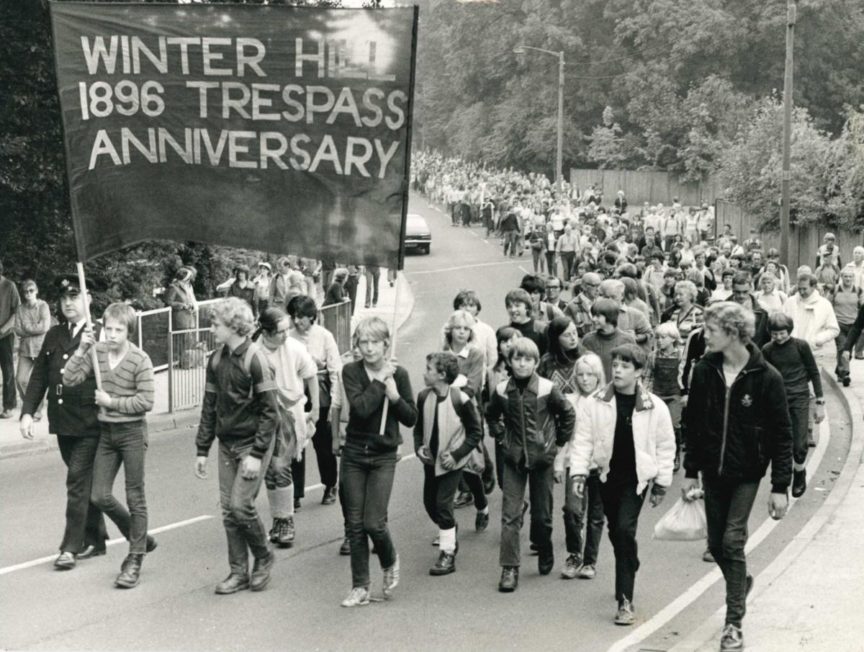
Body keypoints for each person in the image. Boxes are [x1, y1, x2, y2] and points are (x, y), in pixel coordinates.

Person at [683, 302, 793, 652]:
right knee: (716, 546)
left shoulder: (767, 377)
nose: (704, 335)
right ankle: (739, 579)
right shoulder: (704, 370)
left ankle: (733, 623)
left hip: (747, 471)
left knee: (731, 542)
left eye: (711, 329)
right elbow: (694, 424)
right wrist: (689, 473)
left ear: (732, 332)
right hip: (712, 473)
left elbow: (782, 433)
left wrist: (779, 487)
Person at [569, 343, 674, 625]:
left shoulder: (655, 406)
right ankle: (630, 560)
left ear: (639, 372)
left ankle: (624, 600)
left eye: (625, 366)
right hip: (606, 477)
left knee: (625, 530)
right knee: (617, 533)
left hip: (636, 481)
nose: (617, 370)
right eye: (615, 365)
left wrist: (662, 482)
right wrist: (578, 474)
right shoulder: (597, 402)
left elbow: (665, 446)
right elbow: (583, 441)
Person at [63, 303, 156, 588]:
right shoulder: (97, 352)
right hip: (107, 434)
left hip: (131, 433)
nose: (112, 334)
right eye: (109, 328)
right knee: (99, 495)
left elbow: (146, 401)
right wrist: (81, 350)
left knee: (134, 495)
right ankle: (137, 535)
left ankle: (135, 558)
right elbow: (69, 379)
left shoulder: (140, 360)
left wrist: (111, 402)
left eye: (119, 330)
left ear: (129, 332)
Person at [20, 274, 108, 569]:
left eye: (75, 296)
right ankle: (97, 539)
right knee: (84, 482)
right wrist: (27, 412)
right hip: (62, 422)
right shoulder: (55, 334)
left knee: (76, 482)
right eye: (64, 298)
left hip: (89, 422)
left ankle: (70, 547)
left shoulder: (101, 334)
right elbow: (40, 377)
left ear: (88, 300)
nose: (68, 303)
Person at [194, 297, 281, 595]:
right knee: (229, 514)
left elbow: (271, 413)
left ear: (233, 326)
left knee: (240, 507)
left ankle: (265, 556)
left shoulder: (256, 359)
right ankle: (238, 572)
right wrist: (202, 449)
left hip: (252, 446)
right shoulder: (216, 359)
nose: (212, 329)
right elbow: (210, 406)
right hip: (227, 445)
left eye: (216, 324)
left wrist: (257, 455)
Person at [486, 338, 575, 593]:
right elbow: (491, 414)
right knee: (510, 514)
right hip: (513, 459)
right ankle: (509, 567)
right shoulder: (502, 389)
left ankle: (543, 544)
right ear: (510, 362)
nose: (522, 364)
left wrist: (557, 442)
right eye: (517, 359)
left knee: (542, 514)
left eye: (527, 359)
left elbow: (568, 413)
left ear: (536, 362)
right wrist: (501, 435)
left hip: (542, 459)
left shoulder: (548, 388)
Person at [339, 317, 417, 607]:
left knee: (374, 522)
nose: (369, 348)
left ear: (386, 343)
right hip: (355, 454)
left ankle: (389, 558)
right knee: (355, 524)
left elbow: (411, 418)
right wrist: (378, 380)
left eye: (375, 342)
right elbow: (360, 409)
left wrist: (394, 396)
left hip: (384, 455)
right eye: (363, 342)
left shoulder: (400, 373)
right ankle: (360, 586)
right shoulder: (350, 371)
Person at [414, 352, 483, 576]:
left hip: (452, 462)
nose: (425, 373)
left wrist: (457, 454)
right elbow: (418, 428)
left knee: (444, 504)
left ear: (442, 375)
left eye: (429, 369)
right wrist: (419, 447)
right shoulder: (424, 396)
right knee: (430, 504)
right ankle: (449, 528)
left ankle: (448, 553)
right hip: (430, 461)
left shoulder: (459, 399)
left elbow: (475, 432)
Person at [254, 306, 318, 547]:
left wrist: (317, 410)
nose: (286, 335)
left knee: (281, 466)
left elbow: (311, 374)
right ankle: (278, 520)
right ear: (267, 332)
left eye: (286, 330)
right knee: (270, 470)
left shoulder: (293, 348)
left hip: (289, 415)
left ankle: (286, 520)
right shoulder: (255, 352)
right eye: (281, 331)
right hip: (263, 417)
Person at [761, 312, 824, 498]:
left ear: (789, 330)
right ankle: (782, 482)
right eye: (774, 334)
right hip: (777, 401)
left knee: (799, 444)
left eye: (782, 333)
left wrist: (820, 400)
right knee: (780, 443)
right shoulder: (767, 350)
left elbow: (813, 372)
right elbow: (764, 377)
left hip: (800, 398)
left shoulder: (800, 346)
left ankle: (799, 472)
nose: (779, 337)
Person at [287, 296, 342, 507]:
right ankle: (295, 493)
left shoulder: (324, 336)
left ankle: (330, 484)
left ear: (312, 317)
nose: (296, 320)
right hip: (297, 393)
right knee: (296, 443)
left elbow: (335, 369)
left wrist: (334, 404)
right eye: (294, 316)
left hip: (320, 392)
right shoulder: (289, 337)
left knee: (323, 444)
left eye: (301, 316)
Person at [647, 322, 685, 471]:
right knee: (655, 426)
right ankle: (657, 456)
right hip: (657, 394)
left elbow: (683, 377)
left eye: (663, 337)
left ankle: (675, 455)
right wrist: (646, 394)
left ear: (673, 339)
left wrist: (684, 394)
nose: (659, 341)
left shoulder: (681, 355)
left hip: (674, 394)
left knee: (674, 424)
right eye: (657, 337)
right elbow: (648, 377)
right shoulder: (653, 356)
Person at [13, 279, 50, 420]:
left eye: (31, 291)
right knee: (20, 379)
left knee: (39, 380)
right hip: (25, 350)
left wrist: (27, 328)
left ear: (36, 291)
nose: (28, 294)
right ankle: (31, 407)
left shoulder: (43, 306)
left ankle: (35, 411)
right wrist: (34, 327)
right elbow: (17, 329)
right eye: (25, 291)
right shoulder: (20, 309)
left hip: (41, 348)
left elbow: (45, 327)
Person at [782, 272, 840, 362]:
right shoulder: (790, 302)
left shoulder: (824, 304)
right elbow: (781, 324)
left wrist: (817, 341)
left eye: (805, 289)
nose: (801, 292)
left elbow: (834, 329)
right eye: (799, 289)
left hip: (815, 354)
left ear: (813, 287)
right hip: (792, 353)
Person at [582, 298, 637, 382]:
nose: (593, 319)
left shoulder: (627, 340)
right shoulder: (588, 340)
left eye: (598, 316)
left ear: (609, 317)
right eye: (593, 315)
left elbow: (634, 370)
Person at [830, 268, 862, 386]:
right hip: (838, 324)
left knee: (848, 350)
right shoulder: (835, 289)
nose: (848, 279)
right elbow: (828, 305)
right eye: (845, 276)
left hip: (854, 326)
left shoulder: (858, 291)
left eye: (850, 277)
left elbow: (862, 307)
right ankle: (845, 374)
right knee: (842, 347)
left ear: (853, 278)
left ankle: (839, 370)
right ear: (841, 277)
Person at [163, 266, 198, 364]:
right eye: (189, 277)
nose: (190, 279)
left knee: (187, 340)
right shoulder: (173, 287)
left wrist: (191, 305)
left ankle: (185, 361)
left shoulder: (187, 287)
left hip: (189, 317)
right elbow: (168, 301)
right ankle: (176, 361)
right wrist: (182, 305)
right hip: (179, 318)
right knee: (179, 340)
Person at [0, 260, 21, 418]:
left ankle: (10, 406)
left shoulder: (9, 286)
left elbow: (17, 311)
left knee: (7, 370)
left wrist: (3, 329)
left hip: (5, 335)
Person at [504, 288, 548, 355]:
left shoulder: (541, 329)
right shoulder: (505, 331)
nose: (513, 310)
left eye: (517, 306)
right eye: (509, 306)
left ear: (527, 307)